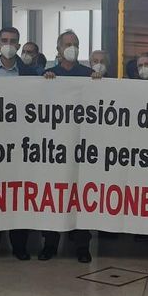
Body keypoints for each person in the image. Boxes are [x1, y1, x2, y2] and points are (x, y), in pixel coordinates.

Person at [0, 26, 39, 262]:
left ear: (20, 44)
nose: (9, 44)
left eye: (13, 40)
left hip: (22, 145)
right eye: (4, 40)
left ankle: (19, 246)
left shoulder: (32, 73)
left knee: (18, 194)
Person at [41, 29, 102, 263]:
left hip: (81, 145)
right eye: (67, 44)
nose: (72, 47)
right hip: (55, 147)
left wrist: (98, 84)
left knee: (80, 195)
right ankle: (50, 244)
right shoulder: (48, 74)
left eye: (75, 43)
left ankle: (82, 245)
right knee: (54, 194)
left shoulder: (88, 74)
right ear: (58, 49)